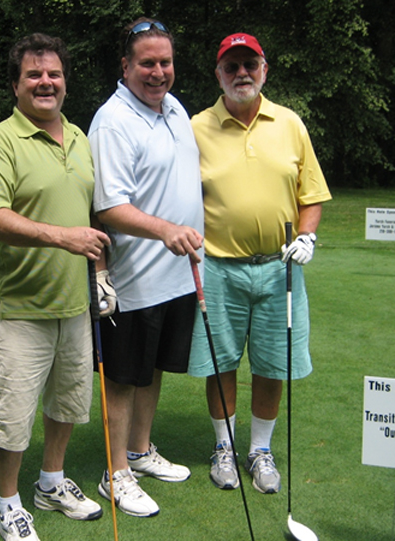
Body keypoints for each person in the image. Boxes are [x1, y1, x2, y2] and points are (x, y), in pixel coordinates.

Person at [0, 33, 113, 541]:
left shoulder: (78, 138)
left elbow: (89, 215)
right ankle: (10, 503)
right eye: (34, 74)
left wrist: (98, 272)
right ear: (16, 85)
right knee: (12, 417)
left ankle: (51, 482)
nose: (45, 82)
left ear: (65, 82)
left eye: (53, 73)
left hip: (75, 305)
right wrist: (62, 237)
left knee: (67, 404)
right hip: (21, 307)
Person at [188, 33, 331, 495]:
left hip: (280, 267)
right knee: (220, 361)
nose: (241, 73)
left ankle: (260, 450)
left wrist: (307, 235)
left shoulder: (290, 124)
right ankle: (225, 448)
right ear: (219, 75)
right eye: (231, 67)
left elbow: (310, 195)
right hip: (218, 266)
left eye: (250, 64)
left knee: (273, 364)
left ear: (264, 70)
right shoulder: (195, 127)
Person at [87, 17, 204, 517]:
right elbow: (108, 207)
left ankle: (139, 450)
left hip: (176, 274)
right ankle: (114, 474)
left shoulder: (175, 108)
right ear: (126, 66)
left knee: (154, 367)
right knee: (122, 375)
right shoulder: (112, 121)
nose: (158, 72)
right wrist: (165, 231)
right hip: (134, 277)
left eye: (165, 62)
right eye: (147, 63)